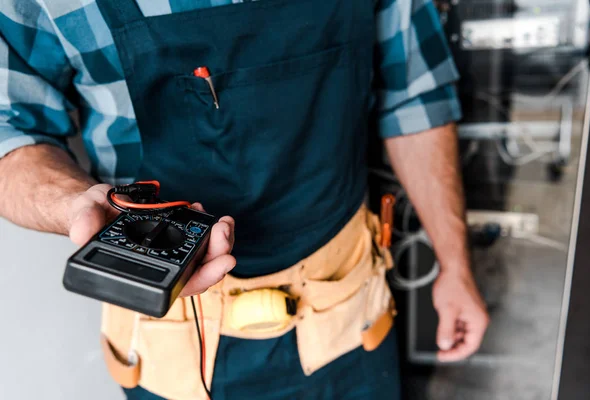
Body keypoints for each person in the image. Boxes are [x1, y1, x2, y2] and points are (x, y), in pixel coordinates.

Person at [0, 0, 489, 399]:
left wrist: (455, 264)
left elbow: (415, 96)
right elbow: (9, 129)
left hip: (352, 318)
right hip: (177, 346)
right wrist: (73, 203)